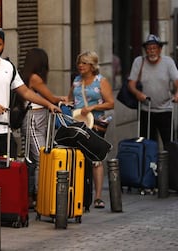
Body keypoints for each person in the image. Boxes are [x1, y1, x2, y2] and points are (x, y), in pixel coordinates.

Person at [0, 28, 60, 159]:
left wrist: (48, 104)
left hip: (4, 130)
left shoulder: (8, 66)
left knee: (6, 173)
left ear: (3, 45)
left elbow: (25, 92)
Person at [67, 51, 115, 209]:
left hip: (95, 123)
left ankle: (98, 196)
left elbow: (110, 103)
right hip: (78, 123)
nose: (80, 66)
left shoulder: (101, 81)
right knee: (80, 158)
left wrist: (93, 107)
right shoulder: (76, 82)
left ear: (92, 66)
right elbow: (70, 100)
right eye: (79, 63)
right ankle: (81, 193)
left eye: (84, 63)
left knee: (95, 159)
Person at [20, 48, 67, 207]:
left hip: (39, 118)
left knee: (33, 161)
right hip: (33, 118)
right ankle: (42, 195)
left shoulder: (30, 77)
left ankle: (31, 195)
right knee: (42, 158)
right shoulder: (34, 78)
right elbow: (50, 98)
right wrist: (61, 99)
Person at [128, 34, 178, 146]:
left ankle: (171, 163)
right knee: (147, 143)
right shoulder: (139, 62)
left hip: (165, 109)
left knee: (170, 142)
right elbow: (131, 84)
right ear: (145, 51)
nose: (151, 51)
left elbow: (177, 80)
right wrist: (138, 93)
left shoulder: (168, 62)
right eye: (148, 49)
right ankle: (150, 163)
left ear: (160, 49)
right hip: (146, 109)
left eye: (154, 48)